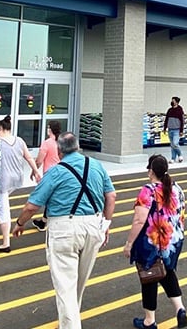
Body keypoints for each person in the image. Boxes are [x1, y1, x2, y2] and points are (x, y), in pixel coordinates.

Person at [12, 133, 118, 329]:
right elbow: (111, 196)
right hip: (93, 226)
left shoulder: (55, 171)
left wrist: (20, 223)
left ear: (59, 151)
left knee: (65, 286)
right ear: (77, 147)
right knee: (78, 283)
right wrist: (106, 224)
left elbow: (32, 206)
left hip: (64, 229)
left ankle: (70, 325)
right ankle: (68, 322)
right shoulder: (95, 165)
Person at [125, 155, 187, 329]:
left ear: (151, 171)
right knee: (167, 272)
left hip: (152, 242)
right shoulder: (177, 188)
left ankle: (149, 320)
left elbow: (139, 220)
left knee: (149, 277)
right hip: (173, 242)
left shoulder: (148, 191)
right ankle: (180, 309)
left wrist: (129, 244)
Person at [0, 116, 41, 253]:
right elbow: (29, 157)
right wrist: (36, 171)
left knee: (3, 209)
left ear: (0, 128)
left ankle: (6, 243)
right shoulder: (19, 141)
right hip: (15, 180)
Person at [164, 96, 185, 163]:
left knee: (175, 144)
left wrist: (181, 130)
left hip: (177, 129)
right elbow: (166, 119)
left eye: (173, 100)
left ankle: (180, 155)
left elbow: (182, 121)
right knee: (172, 145)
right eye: (172, 100)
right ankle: (173, 158)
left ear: (177, 102)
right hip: (170, 129)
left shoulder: (180, 110)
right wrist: (165, 128)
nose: (172, 102)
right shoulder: (169, 110)